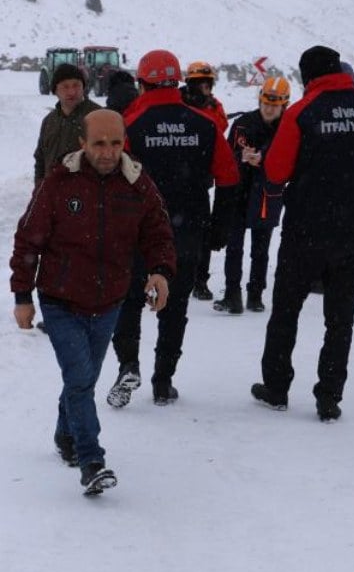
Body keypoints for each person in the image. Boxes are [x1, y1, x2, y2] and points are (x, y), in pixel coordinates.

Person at [10, 109, 176, 495]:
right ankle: (91, 461)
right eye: (99, 143)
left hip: (110, 301)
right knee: (82, 380)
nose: (108, 152)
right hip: (60, 301)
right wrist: (22, 296)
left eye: (115, 143)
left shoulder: (138, 184)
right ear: (82, 143)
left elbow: (158, 233)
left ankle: (64, 435)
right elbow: (27, 240)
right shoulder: (58, 184)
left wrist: (160, 271)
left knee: (80, 378)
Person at [251, 45, 354, 421]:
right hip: (353, 231)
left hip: (305, 230)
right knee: (340, 316)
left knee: (286, 309)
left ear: (307, 77)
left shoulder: (301, 113)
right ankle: (329, 395)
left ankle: (277, 386)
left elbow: (276, 171)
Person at [107, 50, 238, 407]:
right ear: (177, 82)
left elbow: (111, 181)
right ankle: (163, 381)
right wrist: (219, 227)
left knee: (129, 300)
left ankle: (128, 364)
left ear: (142, 82)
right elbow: (229, 178)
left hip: (137, 230)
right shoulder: (205, 123)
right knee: (175, 305)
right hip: (187, 228)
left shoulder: (128, 124)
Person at [214, 76, 291, 314]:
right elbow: (226, 156)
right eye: (266, 103)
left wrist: (264, 159)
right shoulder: (243, 124)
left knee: (261, 248)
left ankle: (256, 295)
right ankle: (232, 295)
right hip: (239, 191)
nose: (269, 109)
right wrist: (242, 158)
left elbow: (291, 160)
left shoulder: (288, 128)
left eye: (275, 105)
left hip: (267, 194)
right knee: (234, 247)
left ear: (283, 105)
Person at [181, 60, 229, 301]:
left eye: (207, 84)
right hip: (174, 175)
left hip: (200, 178)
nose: (205, 88)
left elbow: (221, 126)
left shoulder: (214, 106)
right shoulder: (177, 102)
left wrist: (206, 108)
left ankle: (200, 280)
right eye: (200, 84)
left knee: (202, 232)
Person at [33, 63, 102, 185]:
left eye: (76, 85)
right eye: (65, 87)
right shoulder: (49, 121)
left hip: (87, 195)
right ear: (55, 91)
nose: (72, 92)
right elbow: (40, 160)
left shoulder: (98, 116)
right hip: (52, 194)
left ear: (83, 87)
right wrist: (39, 188)